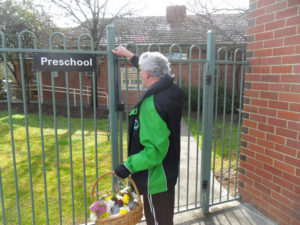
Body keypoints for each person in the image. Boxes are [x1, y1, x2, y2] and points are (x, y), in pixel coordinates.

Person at [112, 46, 183, 225]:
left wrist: (127, 166)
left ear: (148, 73)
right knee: (165, 219)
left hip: (155, 179)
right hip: (168, 172)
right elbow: (154, 72)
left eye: (142, 70)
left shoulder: (153, 104)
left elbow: (154, 151)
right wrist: (130, 56)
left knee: (158, 222)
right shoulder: (173, 91)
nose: (140, 73)